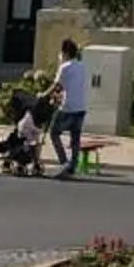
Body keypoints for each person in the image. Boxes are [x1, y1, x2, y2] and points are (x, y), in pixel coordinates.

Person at [49, 39, 90, 176]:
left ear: (65, 53)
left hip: (68, 107)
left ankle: (64, 162)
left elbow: (57, 86)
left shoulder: (64, 67)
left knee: (54, 132)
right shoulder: (82, 66)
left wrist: (44, 95)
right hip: (81, 106)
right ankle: (72, 165)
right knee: (75, 137)